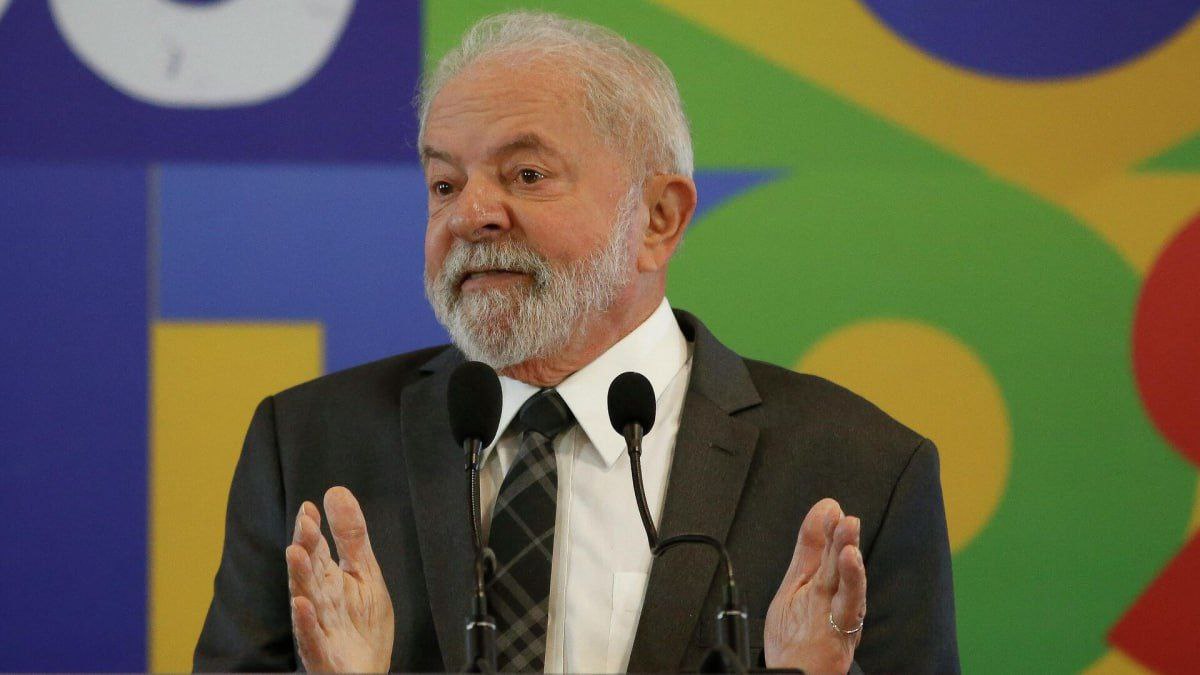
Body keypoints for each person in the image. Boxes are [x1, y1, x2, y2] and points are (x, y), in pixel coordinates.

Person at [195, 11, 958, 674]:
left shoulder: (858, 471)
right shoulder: (310, 444)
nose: (471, 215)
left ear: (658, 218)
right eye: (444, 183)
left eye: (526, 174)